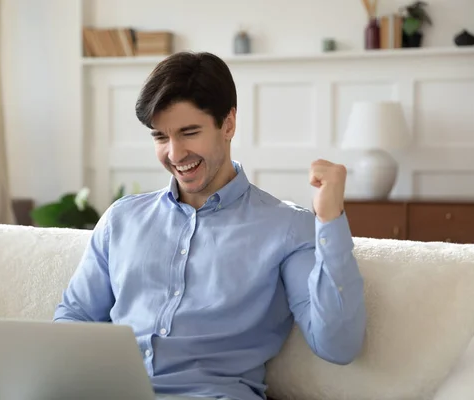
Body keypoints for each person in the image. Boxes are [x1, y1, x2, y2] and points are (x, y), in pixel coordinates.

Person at [54, 51, 366, 400]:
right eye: (160, 137)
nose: (174, 153)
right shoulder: (122, 219)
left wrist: (330, 220)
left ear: (228, 124)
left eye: (189, 132)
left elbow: (338, 346)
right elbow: (76, 315)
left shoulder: (288, 227)